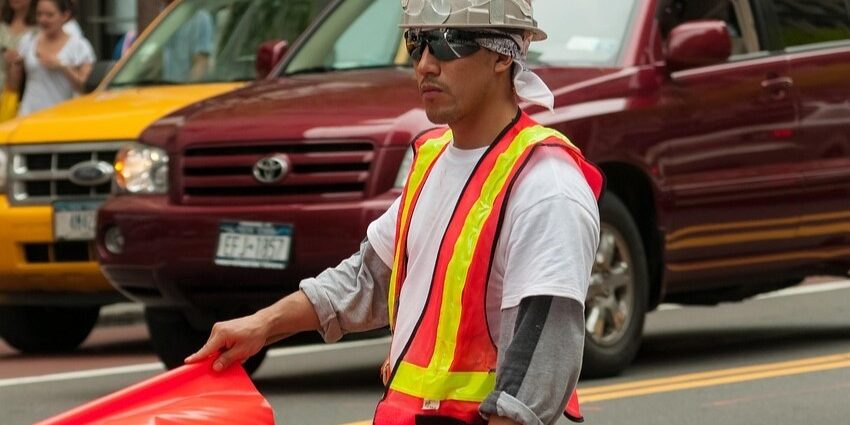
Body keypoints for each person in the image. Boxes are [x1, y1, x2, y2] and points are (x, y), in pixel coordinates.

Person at [186, 1, 603, 424]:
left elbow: (536, 372)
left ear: (501, 54)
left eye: (446, 43)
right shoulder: (435, 158)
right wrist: (262, 325)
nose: (424, 65)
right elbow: (367, 277)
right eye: (415, 43)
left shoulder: (546, 189)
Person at [7, 0, 94, 116]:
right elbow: (13, 86)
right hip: (28, 115)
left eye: (49, 15)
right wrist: (13, 65)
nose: (43, 20)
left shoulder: (79, 46)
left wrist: (62, 66)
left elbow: (85, 87)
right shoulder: (28, 40)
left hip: (62, 117)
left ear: (65, 16)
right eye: (39, 14)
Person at [160, 0, 213, 82]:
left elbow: (200, 64)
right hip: (163, 89)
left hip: (185, 90)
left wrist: (184, 88)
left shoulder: (199, 19)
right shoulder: (162, 19)